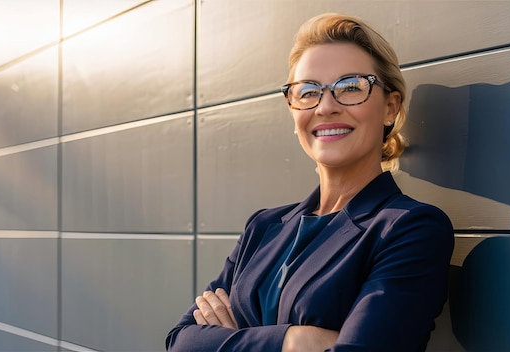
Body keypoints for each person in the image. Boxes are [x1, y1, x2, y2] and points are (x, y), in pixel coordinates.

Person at [166, 13, 454, 352]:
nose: (326, 106)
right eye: (308, 91)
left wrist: (227, 340)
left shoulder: (410, 229)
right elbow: (181, 342)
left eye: (350, 87)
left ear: (390, 108)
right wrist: (293, 340)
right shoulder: (262, 227)